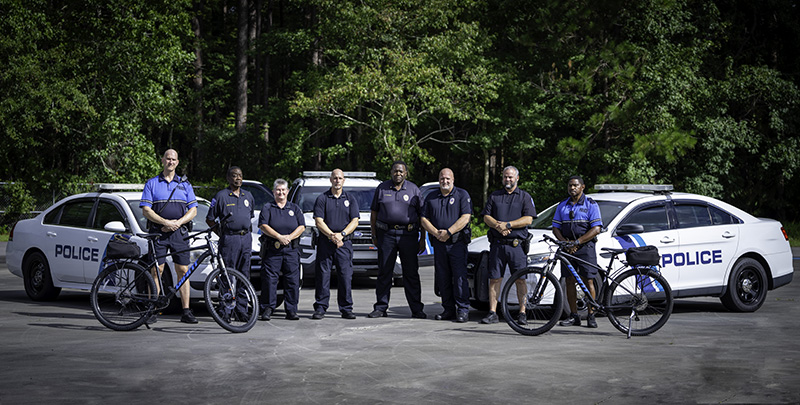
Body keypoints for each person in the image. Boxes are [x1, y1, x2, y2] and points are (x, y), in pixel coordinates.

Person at [140, 149, 199, 324]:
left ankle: (186, 311)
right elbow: (146, 210)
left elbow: (193, 210)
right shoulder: (152, 183)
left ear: (177, 162)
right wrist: (165, 222)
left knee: (183, 271)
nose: (171, 162)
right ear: (162, 161)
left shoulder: (185, 184)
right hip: (159, 233)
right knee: (157, 270)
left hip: (179, 233)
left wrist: (178, 223)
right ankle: (152, 310)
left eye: (174, 159)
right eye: (168, 159)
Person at [368, 161, 426, 319]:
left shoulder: (414, 189)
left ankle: (416, 309)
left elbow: (422, 216)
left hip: (409, 235)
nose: (398, 174)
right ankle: (380, 307)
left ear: (406, 173)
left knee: (411, 273)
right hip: (386, 235)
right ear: (391, 172)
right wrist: (374, 235)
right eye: (395, 171)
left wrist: (423, 238)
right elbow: (374, 213)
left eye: (401, 171)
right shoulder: (382, 188)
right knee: (384, 272)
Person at [481, 166, 536, 324]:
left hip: (516, 245)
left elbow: (528, 219)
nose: (508, 180)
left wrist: (509, 225)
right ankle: (492, 312)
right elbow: (486, 217)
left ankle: (522, 313)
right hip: (498, 245)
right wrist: (498, 226)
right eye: (505, 177)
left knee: (520, 279)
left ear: (517, 178)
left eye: (511, 177)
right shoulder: (495, 196)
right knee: (494, 279)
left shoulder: (524, 197)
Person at [420, 168, 472, 323]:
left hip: (457, 243)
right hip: (439, 243)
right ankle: (448, 309)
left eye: (448, 178)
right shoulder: (431, 197)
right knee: (443, 278)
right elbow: (423, 219)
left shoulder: (462, 195)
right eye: (442, 178)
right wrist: (436, 233)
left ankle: (462, 310)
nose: (445, 181)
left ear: (453, 179)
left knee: (459, 277)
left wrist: (449, 232)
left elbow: (466, 217)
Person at [205, 166, 255, 321]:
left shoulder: (248, 196)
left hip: (245, 239)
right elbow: (210, 219)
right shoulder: (221, 196)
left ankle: (241, 310)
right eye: (234, 176)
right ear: (228, 178)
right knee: (226, 276)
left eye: (240, 175)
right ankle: (226, 310)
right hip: (229, 240)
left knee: (243, 275)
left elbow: (250, 216)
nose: (238, 178)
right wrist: (222, 234)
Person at [554, 175, 603, 328]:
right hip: (567, 247)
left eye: (575, 185)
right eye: (570, 185)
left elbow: (596, 229)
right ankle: (574, 315)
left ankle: (591, 314)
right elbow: (556, 227)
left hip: (585, 247)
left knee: (588, 280)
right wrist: (565, 242)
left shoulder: (591, 204)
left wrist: (578, 242)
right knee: (569, 280)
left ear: (583, 187)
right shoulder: (562, 205)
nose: (572, 188)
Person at [311, 169, 360, 320]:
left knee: (345, 276)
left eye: (340, 178)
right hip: (326, 242)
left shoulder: (350, 199)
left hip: (344, 244)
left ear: (344, 180)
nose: (337, 180)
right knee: (323, 276)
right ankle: (320, 307)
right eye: (335, 178)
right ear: (330, 180)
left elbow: (355, 220)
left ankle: (346, 308)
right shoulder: (322, 198)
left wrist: (342, 235)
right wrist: (332, 235)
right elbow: (319, 221)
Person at [258, 179, 305, 321]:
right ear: (273, 192)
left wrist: (289, 237)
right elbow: (263, 226)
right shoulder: (268, 207)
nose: (281, 192)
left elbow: (301, 226)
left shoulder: (294, 208)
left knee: (292, 281)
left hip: (291, 250)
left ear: (287, 192)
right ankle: (267, 308)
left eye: (283, 190)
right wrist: (279, 237)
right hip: (273, 250)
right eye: (278, 190)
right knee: (269, 280)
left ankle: (291, 310)